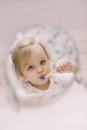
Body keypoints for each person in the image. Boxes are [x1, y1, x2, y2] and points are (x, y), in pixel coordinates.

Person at [11, 37, 77, 106]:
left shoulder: (59, 80)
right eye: (30, 67)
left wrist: (70, 66)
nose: (40, 70)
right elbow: (16, 98)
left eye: (42, 62)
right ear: (22, 73)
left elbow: (80, 76)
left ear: (48, 60)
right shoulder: (25, 91)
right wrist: (26, 101)